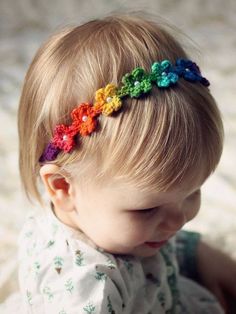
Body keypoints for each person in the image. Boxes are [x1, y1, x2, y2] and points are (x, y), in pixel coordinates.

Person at [13, 13, 236, 313]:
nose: (179, 220)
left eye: (192, 193)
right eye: (147, 210)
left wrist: (195, 253)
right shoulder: (85, 292)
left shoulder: (104, 216)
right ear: (63, 187)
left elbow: (160, 237)